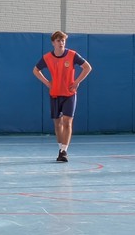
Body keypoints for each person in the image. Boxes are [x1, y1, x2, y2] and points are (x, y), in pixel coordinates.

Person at [32, 31, 92, 162]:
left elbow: (87, 67)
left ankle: (64, 151)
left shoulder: (72, 55)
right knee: (57, 124)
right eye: (58, 41)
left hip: (69, 94)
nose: (61, 43)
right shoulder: (47, 57)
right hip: (55, 94)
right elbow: (35, 70)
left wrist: (77, 82)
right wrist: (47, 83)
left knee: (67, 122)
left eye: (63, 40)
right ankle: (60, 149)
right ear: (53, 43)